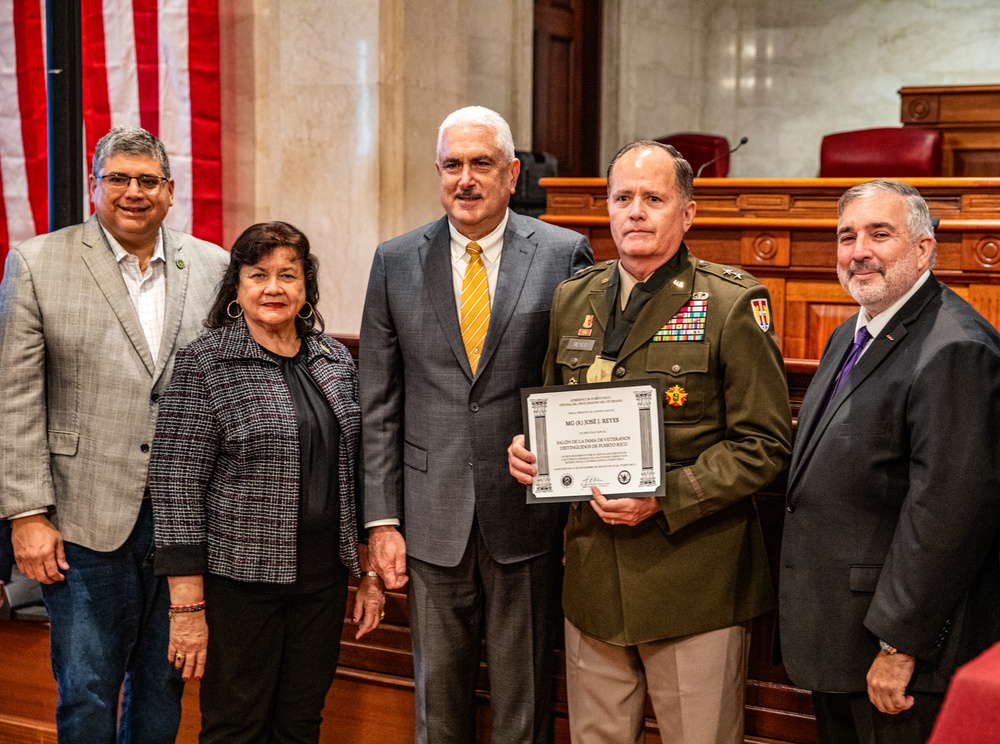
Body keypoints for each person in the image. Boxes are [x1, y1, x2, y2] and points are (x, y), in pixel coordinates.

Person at [508, 140, 792, 744]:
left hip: (693, 582)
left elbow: (765, 444)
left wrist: (664, 495)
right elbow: (561, 410)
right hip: (592, 582)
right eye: (623, 198)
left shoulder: (732, 302)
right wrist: (535, 455)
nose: (636, 211)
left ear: (687, 213)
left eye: (654, 198)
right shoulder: (572, 298)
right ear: (608, 210)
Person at [360, 105, 593, 743]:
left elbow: (578, 379)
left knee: (525, 706)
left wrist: (564, 471)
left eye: (481, 163)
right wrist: (381, 521)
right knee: (438, 708)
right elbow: (378, 399)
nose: (466, 178)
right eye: (453, 164)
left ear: (511, 173)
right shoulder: (395, 260)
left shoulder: (562, 253)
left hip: (526, 515)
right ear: (438, 172)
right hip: (430, 520)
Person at [0, 125, 229, 743]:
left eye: (148, 180)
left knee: (164, 684)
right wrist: (26, 514)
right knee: (88, 688)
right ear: (94, 185)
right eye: (119, 179)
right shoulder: (37, 263)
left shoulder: (213, 266)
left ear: (170, 190)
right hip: (81, 521)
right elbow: (13, 398)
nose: (134, 192)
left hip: (185, 522)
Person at [779, 180, 1000, 744]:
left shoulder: (956, 347)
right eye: (846, 236)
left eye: (880, 234)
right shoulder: (849, 334)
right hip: (839, 637)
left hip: (896, 653)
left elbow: (949, 513)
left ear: (924, 249)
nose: (859, 251)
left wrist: (899, 647)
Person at [149, 221, 384, 743]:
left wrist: (366, 571)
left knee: (301, 723)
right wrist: (186, 607)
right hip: (240, 585)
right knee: (236, 726)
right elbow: (176, 488)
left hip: (322, 581)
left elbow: (360, 469)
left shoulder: (334, 360)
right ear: (237, 286)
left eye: (288, 275)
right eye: (259, 275)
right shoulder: (204, 363)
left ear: (306, 288)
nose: (273, 288)